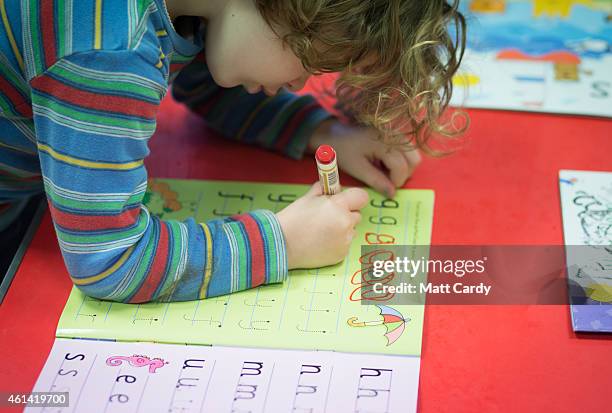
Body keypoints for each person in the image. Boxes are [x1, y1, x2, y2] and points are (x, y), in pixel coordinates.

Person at [0, 0, 466, 302]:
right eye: (309, 62)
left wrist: (320, 131)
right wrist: (282, 242)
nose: (301, 83)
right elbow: (112, 260)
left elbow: (209, 78)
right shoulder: (106, 48)